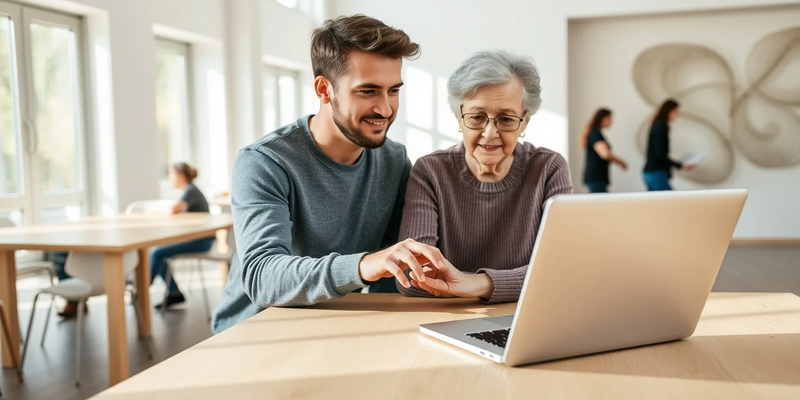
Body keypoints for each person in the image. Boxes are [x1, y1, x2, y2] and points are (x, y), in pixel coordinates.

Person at [211, 15, 446, 333]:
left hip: (335, 322)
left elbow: (395, 268)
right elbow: (261, 276)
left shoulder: (393, 160)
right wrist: (363, 265)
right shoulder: (265, 162)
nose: (386, 109)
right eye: (368, 91)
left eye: (394, 90)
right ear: (324, 90)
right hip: (254, 331)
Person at [396, 50, 573, 303]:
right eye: (477, 117)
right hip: (446, 318)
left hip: (528, 315)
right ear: (459, 118)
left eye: (506, 118)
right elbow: (410, 277)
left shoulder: (549, 169)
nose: (490, 133)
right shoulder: (430, 172)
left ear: (524, 122)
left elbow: (563, 268)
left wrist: (478, 283)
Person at [150, 162, 215, 309]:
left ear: (181, 176)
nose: (169, 178)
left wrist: (155, 211)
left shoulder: (191, 191)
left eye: (171, 174)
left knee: (157, 252)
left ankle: (141, 289)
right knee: (159, 252)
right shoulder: (190, 190)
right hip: (198, 239)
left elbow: (174, 209)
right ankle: (174, 292)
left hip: (202, 241)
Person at [643, 99, 694, 191]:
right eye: (676, 112)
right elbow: (660, 154)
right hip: (656, 172)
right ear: (670, 111)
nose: (677, 115)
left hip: (652, 173)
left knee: (657, 204)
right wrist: (680, 165)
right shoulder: (661, 127)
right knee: (670, 203)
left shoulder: (657, 125)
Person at [580, 108, 627, 193]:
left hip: (597, 177)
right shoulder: (595, 133)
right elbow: (605, 154)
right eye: (609, 118)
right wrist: (620, 162)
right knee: (600, 204)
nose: (611, 121)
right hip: (595, 176)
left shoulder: (596, 133)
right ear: (602, 119)